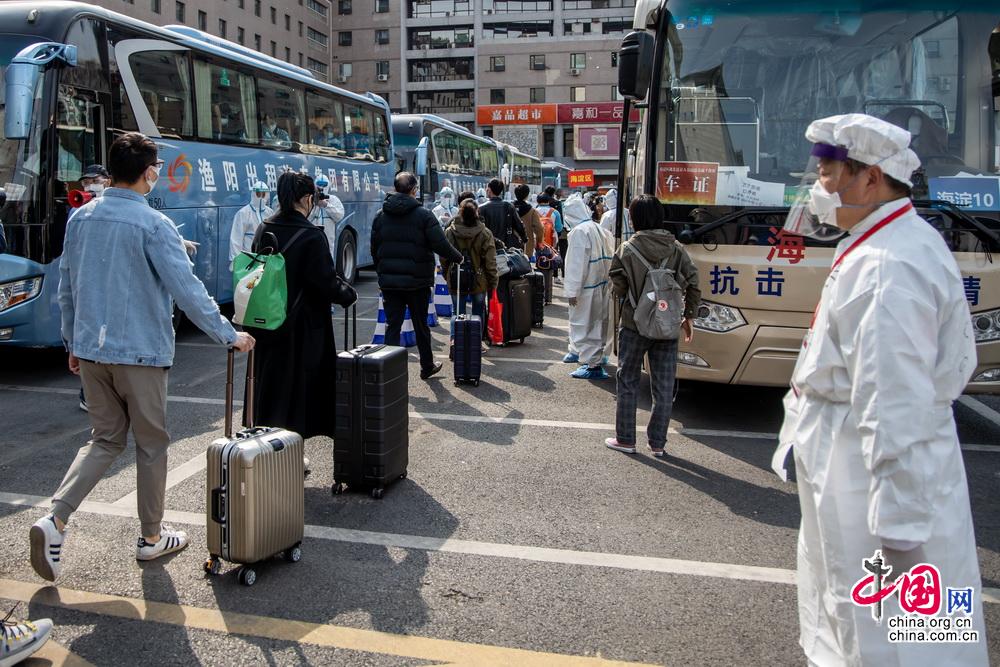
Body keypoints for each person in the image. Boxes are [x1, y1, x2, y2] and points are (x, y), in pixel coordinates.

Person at [774, 113, 988, 666]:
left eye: (827, 173)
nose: (817, 187)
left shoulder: (888, 267)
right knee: (866, 616)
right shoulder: (889, 242)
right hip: (862, 461)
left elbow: (894, 400)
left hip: (866, 475)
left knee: (883, 631)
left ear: (869, 178)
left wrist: (899, 519)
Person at [30, 132, 255, 582]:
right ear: (149, 172)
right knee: (151, 445)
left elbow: (67, 286)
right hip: (141, 352)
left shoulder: (81, 218)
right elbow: (187, 290)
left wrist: (72, 343)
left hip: (91, 350)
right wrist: (228, 335)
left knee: (104, 439)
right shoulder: (155, 224)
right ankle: (151, 537)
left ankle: (55, 518)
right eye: (156, 168)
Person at [246, 171, 357, 438]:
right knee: (300, 392)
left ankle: (267, 444)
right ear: (307, 199)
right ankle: (292, 448)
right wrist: (347, 294)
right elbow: (325, 281)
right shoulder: (311, 235)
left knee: (271, 387)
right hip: (303, 327)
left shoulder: (264, 228)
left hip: (267, 322)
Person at [606, 195, 699, 456]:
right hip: (667, 324)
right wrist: (689, 316)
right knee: (664, 386)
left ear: (634, 219)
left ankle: (626, 439)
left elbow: (617, 287)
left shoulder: (627, 249)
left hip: (633, 324)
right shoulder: (676, 248)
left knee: (628, 381)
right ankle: (657, 443)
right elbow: (693, 281)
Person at [372, 172, 463, 380]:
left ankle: (388, 372)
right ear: (414, 190)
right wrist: (458, 257)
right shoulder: (424, 215)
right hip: (418, 283)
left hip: (390, 283)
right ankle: (427, 366)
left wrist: (382, 273)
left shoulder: (380, 215)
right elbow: (440, 244)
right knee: (421, 326)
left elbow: (375, 249)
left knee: (392, 326)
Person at [563, 191, 614, 379]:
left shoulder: (579, 232)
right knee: (599, 323)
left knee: (584, 324)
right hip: (602, 285)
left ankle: (592, 364)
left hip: (586, 288)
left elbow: (576, 266)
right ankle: (595, 355)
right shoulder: (597, 227)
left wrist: (572, 291)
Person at [441, 199, 498, 357]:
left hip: (456, 277)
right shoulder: (485, 233)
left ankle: (455, 342)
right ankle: (475, 343)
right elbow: (490, 261)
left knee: (457, 312)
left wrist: (446, 274)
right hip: (479, 279)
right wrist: (493, 281)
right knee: (477, 312)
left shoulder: (450, 232)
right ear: (477, 213)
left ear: (459, 213)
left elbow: (444, 257)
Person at [229, 181, 272, 270]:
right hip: (248, 261)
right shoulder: (243, 213)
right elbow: (236, 239)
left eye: (263, 194)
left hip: (266, 260)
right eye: (258, 194)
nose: (261, 197)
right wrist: (236, 261)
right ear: (253, 194)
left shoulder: (270, 213)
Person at [478, 179, 526, 250]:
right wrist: (524, 238)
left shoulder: (481, 208)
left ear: (489, 189)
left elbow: (478, 229)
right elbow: (519, 225)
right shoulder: (509, 206)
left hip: (488, 247)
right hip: (506, 247)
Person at [307, 175, 345, 261]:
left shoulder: (333, 200)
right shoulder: (310, 200)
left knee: (328, 258)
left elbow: (339, 215)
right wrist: (315, 205)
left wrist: (326, 205)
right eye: (319, 185)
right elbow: (306, 218)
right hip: (312, 236)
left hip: (328, 238)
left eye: (324, 185)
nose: (322, 188)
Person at [513, 184, 544, 257]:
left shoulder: (509, 208)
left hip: (510, 245)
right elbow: (539, 228)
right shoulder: (531, 211)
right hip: (527, 246)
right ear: (527, 195)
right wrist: (539, 242)